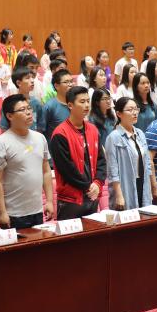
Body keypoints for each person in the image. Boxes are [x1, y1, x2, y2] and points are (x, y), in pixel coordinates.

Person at [0, 94, 55, 229]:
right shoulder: (0, 144)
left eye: (29, 108)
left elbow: (46, 172)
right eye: (22, 110)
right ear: (9, 116)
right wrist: (2, 212)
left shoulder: (40, 138)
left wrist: (49, 201)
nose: (28, 112)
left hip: (37, 210)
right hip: (13, 213)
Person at [50, 86, 106, 219]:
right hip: (71, 200)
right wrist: (88, 187)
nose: (87, 105)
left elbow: (101, 160)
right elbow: (67, 169)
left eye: (88, 101)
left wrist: (98, 183)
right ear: (70, 105)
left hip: (92, 195)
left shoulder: (93, 129)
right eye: (82, 102)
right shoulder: (60, 133)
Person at [106, 97, 153, 210]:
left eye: (136, 109)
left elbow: (147, 163)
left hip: (143, 183)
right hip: (125, 185)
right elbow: (113, 169)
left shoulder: (140, 133)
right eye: (130, 110)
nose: (135, 112)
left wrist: (152, 188)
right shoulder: (113, 137)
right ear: (119, 114)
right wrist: (119, 195)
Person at [43, 69, 73, 140]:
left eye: (71, 81)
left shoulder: (75, 103)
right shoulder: (50, 106)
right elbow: (42, 130)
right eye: (66, 82)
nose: (70, 84)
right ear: (56, 86)